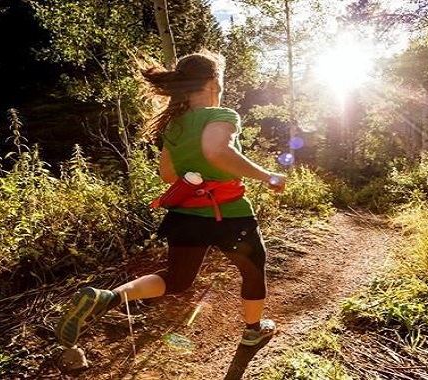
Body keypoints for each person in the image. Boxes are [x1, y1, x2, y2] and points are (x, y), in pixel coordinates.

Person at [55, 49, 287, 349]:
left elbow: (167, 174)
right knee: (252, 269)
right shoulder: (221, 115)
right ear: (214, 83)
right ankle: (253, 330)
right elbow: (216, 150)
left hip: (186, 212)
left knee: (177, 279)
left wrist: (194, 172)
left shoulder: (174, 124)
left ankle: (109, 297)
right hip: (229, 212)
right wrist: (267, 175)